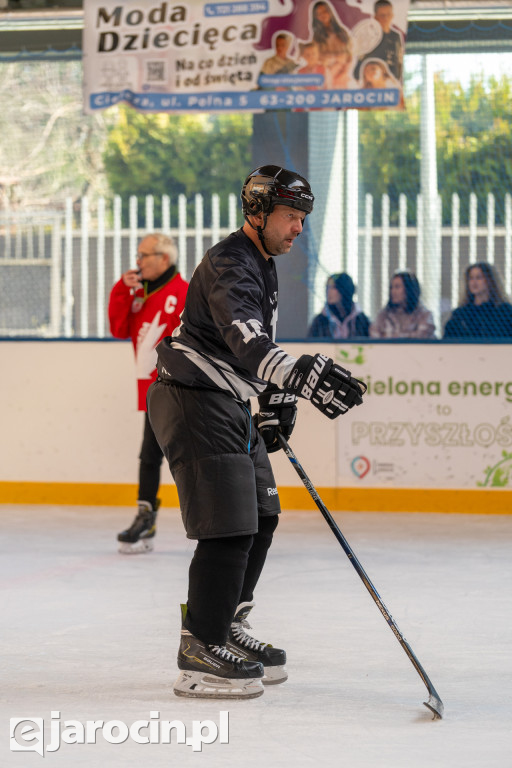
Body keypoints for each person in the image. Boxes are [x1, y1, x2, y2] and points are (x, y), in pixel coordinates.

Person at [147, 165, 366, 700]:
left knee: (262, 516)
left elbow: (245, 349)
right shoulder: (229, 261)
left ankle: (226, 628)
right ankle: (200, 646)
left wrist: (275, 397)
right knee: (229, 527)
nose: (298, 227)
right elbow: (247, 342)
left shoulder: (261, 263)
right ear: (259, 211)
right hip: (192, 399)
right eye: (291, 216)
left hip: (227, 399)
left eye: (301, 218)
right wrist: (299, 377)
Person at [108, 232, 188, 553]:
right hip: (152, 391)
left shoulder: (183, 292)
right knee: (149, 455)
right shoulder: (138, 293)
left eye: (144, 255)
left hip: (180, 391)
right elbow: (118, 328)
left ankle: (219, 521)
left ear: (164, 259)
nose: (137, 262)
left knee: (189, 458)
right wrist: (120, 290)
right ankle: (146, 518)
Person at [443, 262, 512, 338]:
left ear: (490, 281)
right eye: (471, 278)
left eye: (479, 277)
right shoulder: (461, 314)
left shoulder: (504, 311)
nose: (474, 282)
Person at [370, 271, 435, 338]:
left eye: (397, 287)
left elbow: (420, 338)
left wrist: (391, 337)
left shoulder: (424, 315)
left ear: (409, 289)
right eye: (391, 287)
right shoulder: (383, 316)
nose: (393, 291)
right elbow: (374, 337)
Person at [308, 273, 370, 338]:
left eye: (333, 287)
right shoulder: (320, 321)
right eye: (327, 287)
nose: (328, 291)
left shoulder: (361, 320)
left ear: (344, 289)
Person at [354, 0, 404, 81]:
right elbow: (360, 61)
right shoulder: (369, 36)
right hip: (371, 82)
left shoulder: (396, 37)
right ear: (375, 17)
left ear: (392, 15)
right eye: (382, 15)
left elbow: (398, 61)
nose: (386, 18)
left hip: (391, 82)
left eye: (388, 14)